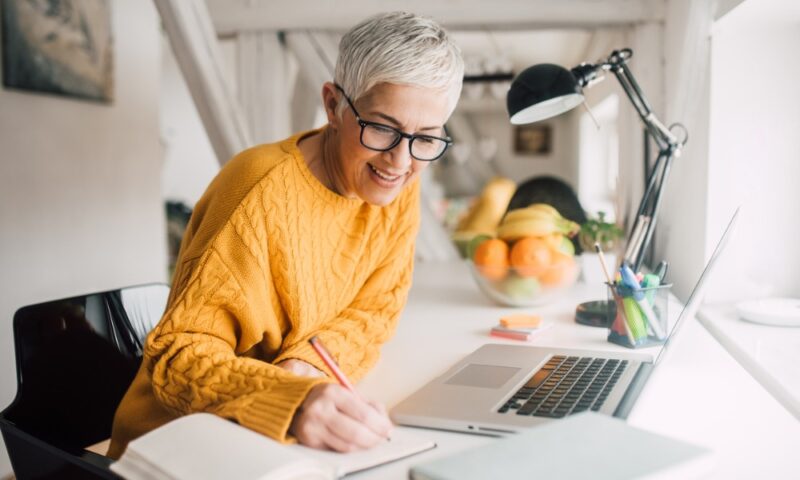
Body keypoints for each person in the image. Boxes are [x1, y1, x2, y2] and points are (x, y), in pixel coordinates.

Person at [107, 12, 463, 457]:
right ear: (333, 105)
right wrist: (288, 398)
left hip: (274, 444)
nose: (399, 161)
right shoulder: (257, 191)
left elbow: (375, 308)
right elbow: (177, 356)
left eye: (426, 138)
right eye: (381, 128)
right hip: (172, 447)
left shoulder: (398, 179)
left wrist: (307, 367)